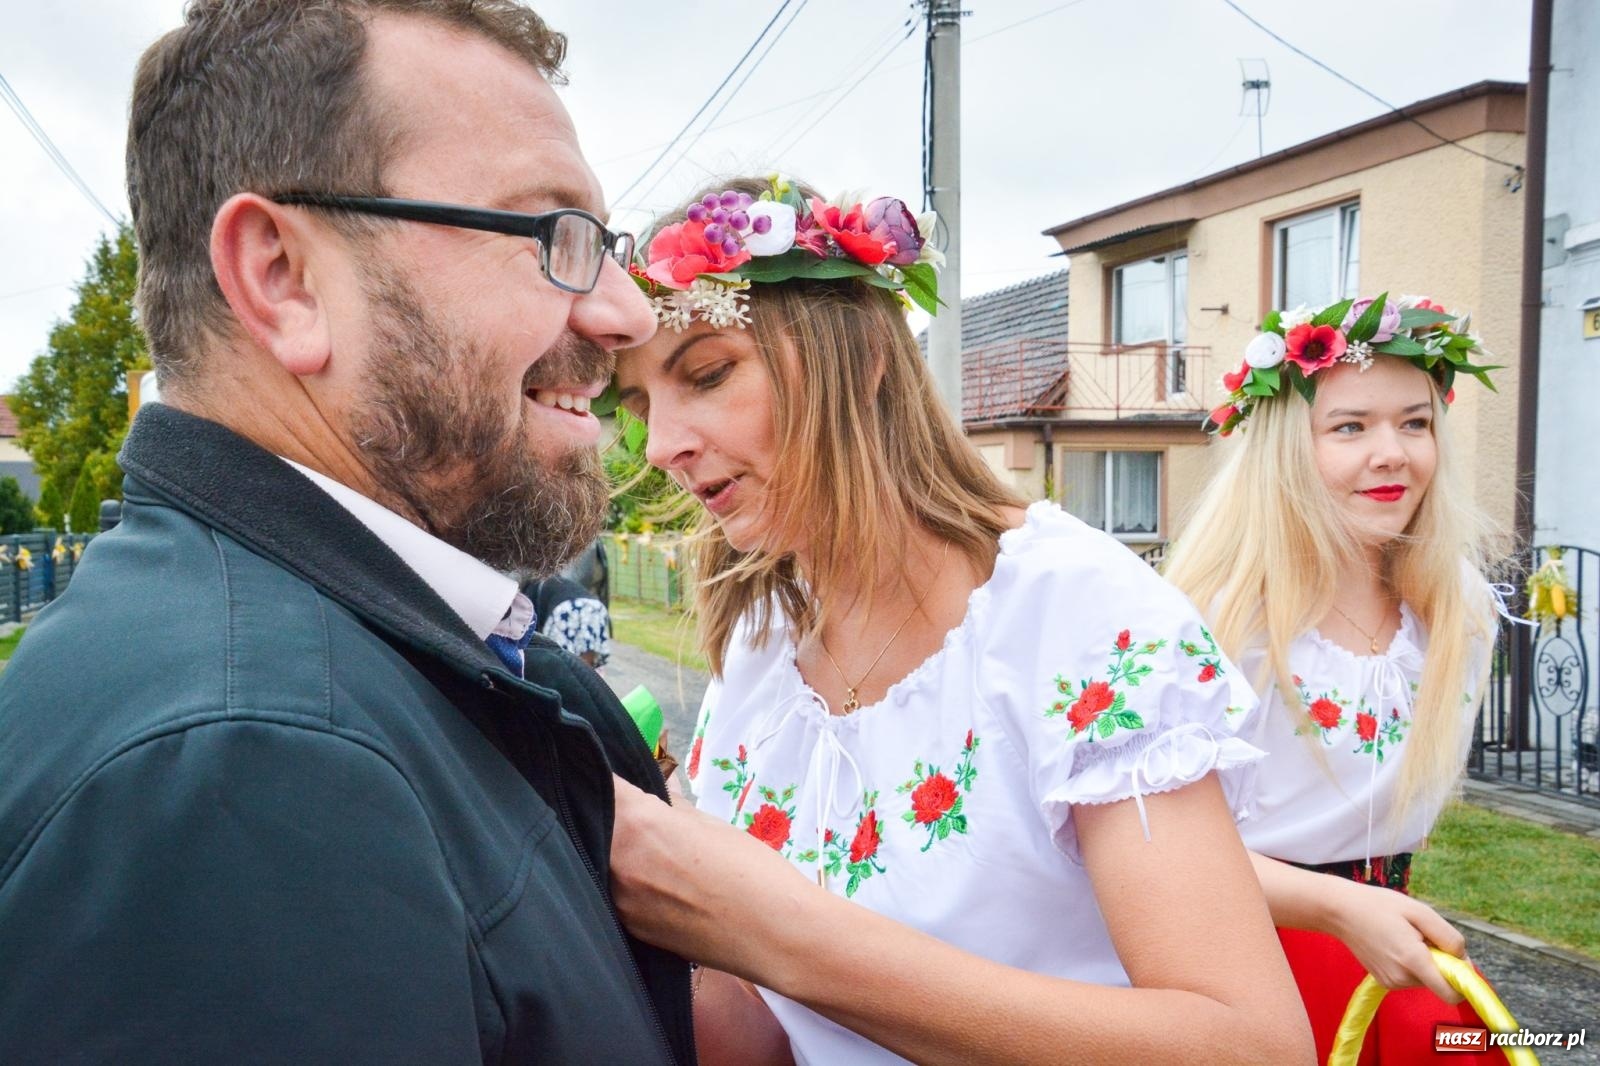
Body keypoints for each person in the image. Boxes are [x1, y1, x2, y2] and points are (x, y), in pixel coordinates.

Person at [0, 3, 694, 1062]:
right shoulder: (250, 768)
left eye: (605, 245)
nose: (626, 313)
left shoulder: (345, 668)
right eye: (553, 237)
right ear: (284, 279)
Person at [606, 174, 1314, 1065]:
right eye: (637, 409)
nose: (663, 442)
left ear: (858, 358)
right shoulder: (761, 645)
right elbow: (760, 1038)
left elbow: (1254, 1047)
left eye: (706, 374)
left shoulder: (1075, 614)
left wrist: (791, 938)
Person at [1163, 295, 1508, 1063]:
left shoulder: (1456, 604)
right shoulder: (1223, 618)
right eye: (1350, 426)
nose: (1392, 453)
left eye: (1414, 422)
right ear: (1287, 447)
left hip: (1397, 963)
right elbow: (1156, 850)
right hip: (1249, 971)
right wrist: (1337, 908)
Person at [524, 571, 613, 668]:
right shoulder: (560, 581)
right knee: (588, 658)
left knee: (559, 662)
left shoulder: (531, 590)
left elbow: (530, 630)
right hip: (594, 607)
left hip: (565, 611)